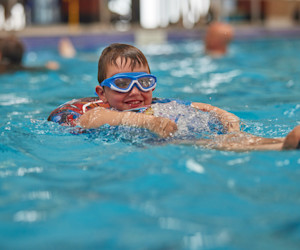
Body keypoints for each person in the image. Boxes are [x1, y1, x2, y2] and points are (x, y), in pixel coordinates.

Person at [48, 43, 300, 151]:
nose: (135, 92)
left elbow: (201, 106)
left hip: (148, 137)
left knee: (220, 136)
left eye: (144, 83)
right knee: (194, 143)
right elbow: (93, 118)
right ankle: (281, 147)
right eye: (122, 84)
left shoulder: (154, 105)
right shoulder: (96, 108)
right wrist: (146, 122)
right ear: (102, 92)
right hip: (112, 150)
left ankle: (278, 140)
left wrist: (226, 116)